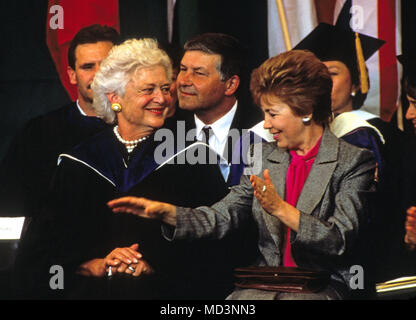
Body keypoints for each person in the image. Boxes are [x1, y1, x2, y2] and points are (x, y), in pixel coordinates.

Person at [107, 50, 377, 300]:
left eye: (272, 114)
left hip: (322, 288)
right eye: (264, 113)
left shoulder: (353, 161)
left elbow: (339, 240)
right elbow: (223, 216)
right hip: (262, 286)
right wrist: (167, 213)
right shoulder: (261, 156)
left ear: (306, 111)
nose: (266, 124)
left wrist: (281, 209)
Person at [13, 38, 234, 299]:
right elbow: (43, 253)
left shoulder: (193, 157)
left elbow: (220, 243)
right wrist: (94, 265)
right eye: (147, 90)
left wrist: (153, 266)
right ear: (114, 97)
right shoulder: (78, 162)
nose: (161, 98)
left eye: (165, 88)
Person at [1, 24, 119, 298]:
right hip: (56, 272)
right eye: (88, 66)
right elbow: (13, 206)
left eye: (108, 65)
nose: (99, 76)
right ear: (72, 75)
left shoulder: (150, 130)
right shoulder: (39, 132)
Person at [171, 32, 263, 185]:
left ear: (230, 84)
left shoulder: (262, 129)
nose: (184, 81)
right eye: (183, 69)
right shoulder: (166, 130)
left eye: (198, 73)